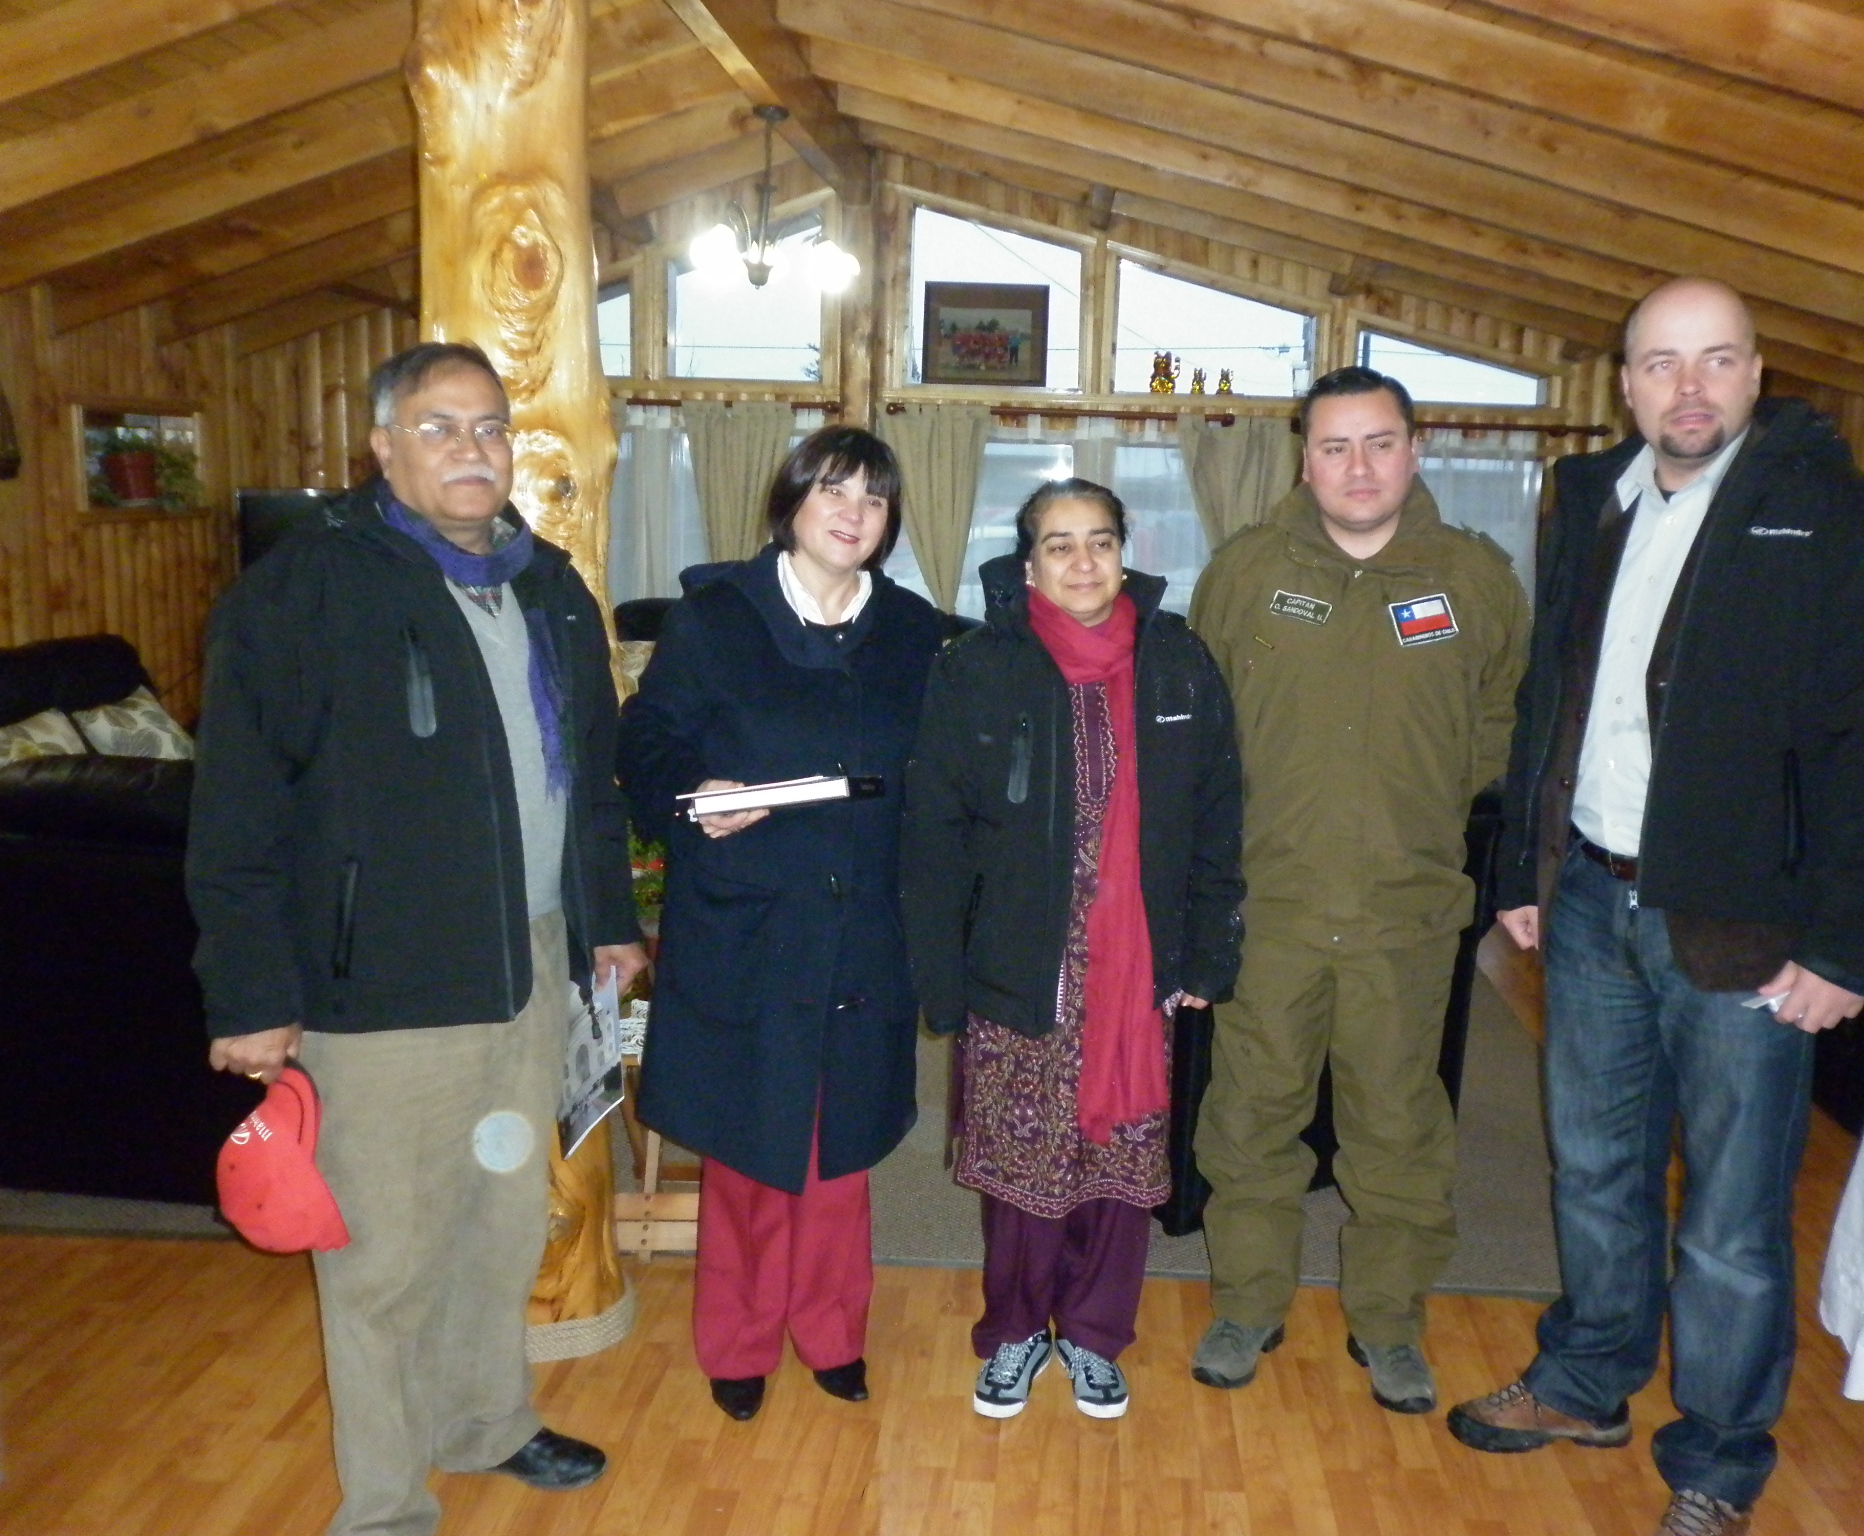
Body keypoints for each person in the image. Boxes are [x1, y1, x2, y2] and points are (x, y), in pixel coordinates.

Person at [1445, 278, 1864, 1536]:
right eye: (1661, 363)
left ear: (1757, 373)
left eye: (1716, 360)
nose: (1689, 387)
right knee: (1592, 1168)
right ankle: (1586, 1380)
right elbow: (1549, 695)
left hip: (1741, 928)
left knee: (1727, 1216)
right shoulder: (1589, 497)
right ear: (1625, 384)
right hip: (1587, 898)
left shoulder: (1835, 517)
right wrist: (1520, 869)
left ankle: (1717, 1453)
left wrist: (1843, 945)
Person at [188, 341, 647, 1536]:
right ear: (383, 446)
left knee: (501, 1223)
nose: (470, 450)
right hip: (380, 994)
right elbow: (235, 811)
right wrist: (250, 994)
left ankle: (483, 1422)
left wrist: (606, 923)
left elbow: (586, 779)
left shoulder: (547, 584)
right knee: (383, 1261)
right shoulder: (303, 591)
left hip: (529, 965)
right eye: (438, 428)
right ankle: (386, 1505)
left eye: (488, 427)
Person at [1186, 366, 1529, 1411]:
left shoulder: (1474, 580)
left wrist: (1415, 818)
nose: (1359, 467)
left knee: (1397, 1129)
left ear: (1414, 451)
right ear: (1306, 461)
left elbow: (1500, 726)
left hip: (1403, 917)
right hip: (1271, 909)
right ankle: (1247, 1303)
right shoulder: (1246, 572)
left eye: (1379, 442)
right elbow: (1200, 729)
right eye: (1335, 447)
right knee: (1251, 1117)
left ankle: (1386, 1321)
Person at [616, 426, 946, 1423]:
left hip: (865, 928)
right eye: (833, 490)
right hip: (747, 924)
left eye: (874, 499)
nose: (853, 513)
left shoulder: (914, 631)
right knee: (750, 1145)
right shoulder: (716, 619)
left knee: (840, 1147)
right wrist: (693, 794)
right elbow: (646, 744)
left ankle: (833, 1331)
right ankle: (739, 1340)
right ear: (790, 501)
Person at [902, 480, 1245, 1420]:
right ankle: (1015, 1330)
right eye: (1060, 545)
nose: (1083, 562)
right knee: (1022, 1169)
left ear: (1125, 554)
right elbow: (934, 833)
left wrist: (1208, 954)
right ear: (1028, 566)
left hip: (1138, 969)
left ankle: (1095, 1336)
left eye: (1100, 541)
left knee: (1118, 1164)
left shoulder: (1178, 663)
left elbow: (1218, 814)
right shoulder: (979, 667)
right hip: (1020, 968)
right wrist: (941, 976)